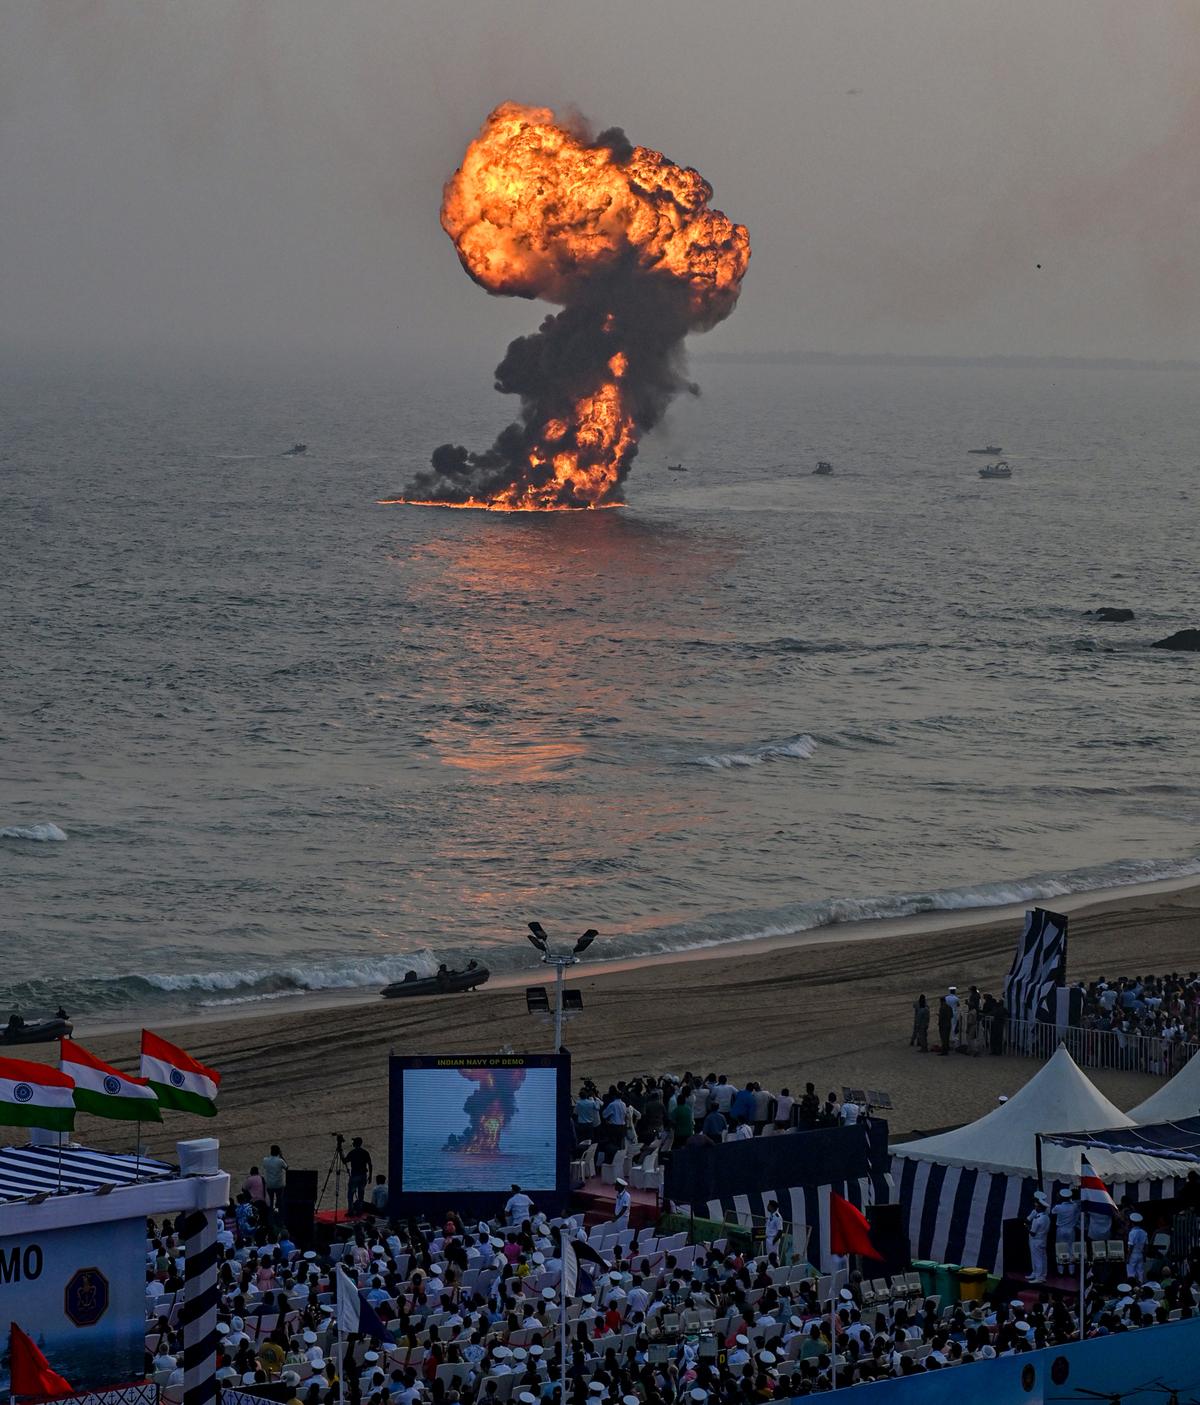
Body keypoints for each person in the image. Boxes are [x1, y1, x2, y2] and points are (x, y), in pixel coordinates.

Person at [339, 1137, 372, 1215]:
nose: (352, 1143)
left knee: (350, 1194)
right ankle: (359, 1211)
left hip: (355, 1176)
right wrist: (370, 1175)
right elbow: (370, 1164)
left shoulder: (352, 1152)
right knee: (361, 1194)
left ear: (355, 1143)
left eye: (353, 1142)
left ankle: (350, 1211)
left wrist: (340, 1152)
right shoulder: (365, 1152)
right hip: (363, 1176)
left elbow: (344, 1161)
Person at [1053, 1189, 1080, 1272]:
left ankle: (1061, 1270)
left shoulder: (1058, 1207)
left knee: (1060, 1249)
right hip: (1071, 1229)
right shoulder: (1074, 1206)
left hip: (1061, 1229)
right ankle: (1071, 1270)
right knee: (1071, 1249)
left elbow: (1053, 1212)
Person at [1027, 1192, 1050, 1282]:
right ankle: (1041, 1274)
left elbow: (1033, 1233)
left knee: (1037, 1259)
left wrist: (1027, 1227)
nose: (1035, 1207)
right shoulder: (1046, 1217)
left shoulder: (1038, 1219)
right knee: (1043, 1258)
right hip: (1043, 1239)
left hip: (1036, 1240)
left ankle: (1039, 1277)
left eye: (1037, 1206)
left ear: (1040, 1208)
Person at [261, 1144, 288, 1214]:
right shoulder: (280, 1161)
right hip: (279, 1184)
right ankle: (280, 1214)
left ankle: (271, 1213)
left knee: (270, 1200)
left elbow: (264, 1166)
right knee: (280, 1200)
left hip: (269, 1184)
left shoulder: (265, 1160)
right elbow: (287, 1167)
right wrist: (281, 1156)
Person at [1126, 1211, 1148, 1283]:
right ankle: (1140, 1285)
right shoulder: (1144, 1232)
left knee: (1131, 1271)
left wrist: (1128, 1257)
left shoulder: (1132, 1232)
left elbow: (1131, 1246)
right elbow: (1146, 1246)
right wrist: (1144, 1256)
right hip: (1141, 1254)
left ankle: (1131, 1285)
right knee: (1140, 1272)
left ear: (1132, 1222)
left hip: (1133, 1254)